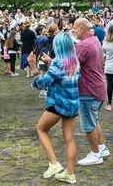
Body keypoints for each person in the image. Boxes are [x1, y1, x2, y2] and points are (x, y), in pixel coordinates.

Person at [28, 32, 80, 184]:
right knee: (69, 139)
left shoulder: (59, 62)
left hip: (59, 103)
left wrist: (34, 68)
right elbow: (63, 75)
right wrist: (51, 62)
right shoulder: (74, 61)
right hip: (72, 103)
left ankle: (54, 164)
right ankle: (70, 173)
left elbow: (43, 83)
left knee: (41, 129)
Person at [71, 18, 109, 166]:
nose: (73, 30)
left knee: (88, 125)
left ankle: (95, 154)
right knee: (95, 120)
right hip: (98, 87)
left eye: (74, 27)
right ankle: (101, 147)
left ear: (82, 28)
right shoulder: (94, 41)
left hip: (88, 90)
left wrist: (50, 62)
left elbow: (71, 66)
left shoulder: (84, 45)